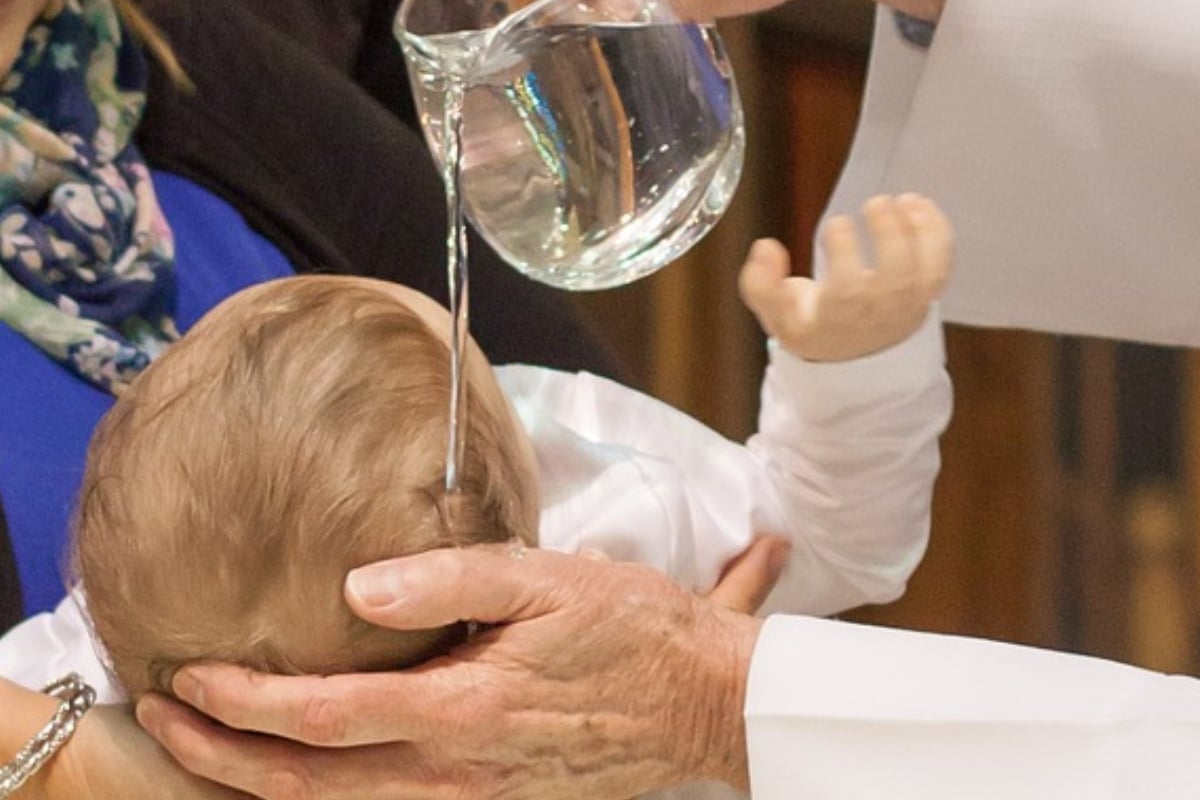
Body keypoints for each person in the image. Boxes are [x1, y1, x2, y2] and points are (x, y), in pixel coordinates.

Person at [60, 188, 950, 704]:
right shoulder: (620, 517)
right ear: (527, 459)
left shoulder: (109, 639)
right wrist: (856, 367)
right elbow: (837, 535)